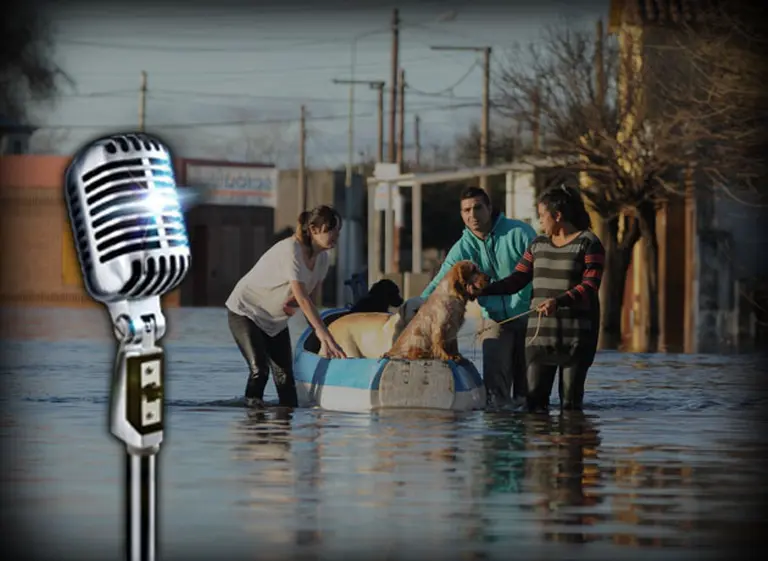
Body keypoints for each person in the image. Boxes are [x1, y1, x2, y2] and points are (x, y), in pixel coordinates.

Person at [479, 184, 605, 412]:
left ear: (557, 216)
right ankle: (540, 446)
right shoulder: (537, 245)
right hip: (538, 339)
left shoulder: (589, 243)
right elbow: (517, 279)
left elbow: (590, 285)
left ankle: (571, 445)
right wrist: (484, 290)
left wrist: (559, 302)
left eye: (542, 216)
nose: (540, 222)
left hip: (576, 340)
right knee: (534, 405)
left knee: (570, 406)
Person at [420, 186, 537, 406]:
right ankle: (497, 438)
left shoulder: (520, 233)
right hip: (493, 319)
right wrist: (416, 306)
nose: (472, 215)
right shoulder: (462, 247)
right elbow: (439, 283)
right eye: (466, 210)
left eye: (477, 208)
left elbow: (542, 269)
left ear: (489, 208)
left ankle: (530, 435)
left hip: (530, 317)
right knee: (494, 395)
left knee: (530, 393)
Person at [225, 205, 347, 408]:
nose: (335, 235)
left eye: (338, 230)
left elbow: (309, 301)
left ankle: (284, 431)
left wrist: (320, 339)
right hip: (246, 311)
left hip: (275, 322)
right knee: (260, 370)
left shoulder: (323, 260)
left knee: (285, 380)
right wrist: (326, 336)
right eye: (331, 229)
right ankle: (252, 421)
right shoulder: (291, 250)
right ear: (314, 230)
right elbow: (302, 298)